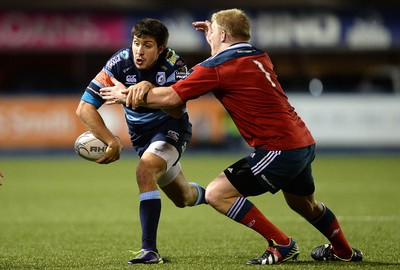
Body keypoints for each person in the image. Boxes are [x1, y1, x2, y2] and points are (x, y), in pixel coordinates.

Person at [101, 9, 363, 265]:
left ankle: (281, 242)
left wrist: (126, 95)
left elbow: (171, 97)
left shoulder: (217, 66)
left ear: (223, 35)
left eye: (212, 32)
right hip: (302, 142)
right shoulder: (260, 55)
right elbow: (228, 52)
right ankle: (344, 251)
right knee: (304, 204)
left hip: (277, 148)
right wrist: (216, 34)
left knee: (217, 193)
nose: (209, 36)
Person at [76, 18, 207, 265]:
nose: (139, 50)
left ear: (160, 49)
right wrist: (110, 140)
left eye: (147, 45)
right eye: (136, 43)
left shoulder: (174, 64)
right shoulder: (119, 63)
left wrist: (141, 90)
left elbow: (176, 110)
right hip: (141, 138)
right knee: (184, 198)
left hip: (171, 130)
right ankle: (212, 194)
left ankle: (149, 251)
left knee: (144, 170)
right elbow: (84, 109)